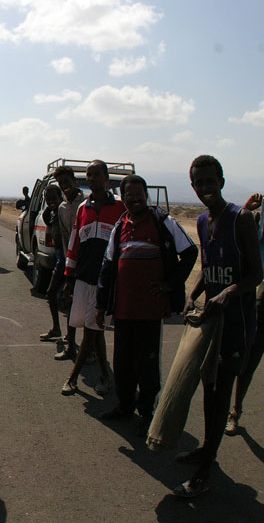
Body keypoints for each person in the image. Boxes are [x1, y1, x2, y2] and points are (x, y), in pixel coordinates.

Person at [171, 155, 261, 498]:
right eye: (199, 183)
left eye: (211, 181)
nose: (206, 188)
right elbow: (208, 269)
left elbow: (256, 273)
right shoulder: (205, 221)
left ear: (222, 181)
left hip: (236, 322)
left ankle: (205, 471)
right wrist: (191, 294)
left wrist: (230, 292)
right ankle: (207, 449)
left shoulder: (242, 219)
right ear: (193, 186)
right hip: (211, 321)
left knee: (221, 392)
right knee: (208, 391)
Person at [95, 175, 197, 437]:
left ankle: (146, 413)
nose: (134, 198)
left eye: (139, 194)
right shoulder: (120, 227)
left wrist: (170, 283)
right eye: (129, 194)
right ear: (123, 197)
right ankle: (125, 406)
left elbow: (190, 253)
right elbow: (107, 267)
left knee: (147, 363)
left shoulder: (164, 223)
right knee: (123, 361)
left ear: (146, 195)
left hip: (150, 310)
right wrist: (100, 305)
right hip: (123, 309)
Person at [61, 160, 126, 396]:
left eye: (97, 174)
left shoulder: (120, 207)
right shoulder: (83, 209)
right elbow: (74, 243)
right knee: (91, 328)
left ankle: (72, 378)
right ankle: (107, 377)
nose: (93, 179)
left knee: (91, 330)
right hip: (84, 276)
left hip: (106, 281)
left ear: (106, 178)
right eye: (89, 175)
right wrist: (69, 276)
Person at [225, 192, 264, 435]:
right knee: (248, 358)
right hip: (259, 296)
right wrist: (246, 211)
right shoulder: (254, 219)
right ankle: (234, 411)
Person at [52, 166, 86, 360]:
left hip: (88, 265)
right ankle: (71, 346)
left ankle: (88, 352)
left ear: (74, 180)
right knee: (69, 304)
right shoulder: (63, 208)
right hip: (71, 263)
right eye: (61, 183)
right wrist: (68, 265)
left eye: (67, 181)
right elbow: (66, 239)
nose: (65, 186)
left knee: (89, 313)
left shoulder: (86, 204)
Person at [39, 185, 65, 342]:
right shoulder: (51, 213)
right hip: (59, 257)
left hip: (68, 258)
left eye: (54, 198)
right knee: (52, 294)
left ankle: (68, 335)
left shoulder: (65, 211)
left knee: (66, 298)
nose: (51, 201)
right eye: (48, 199)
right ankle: (57, 329)